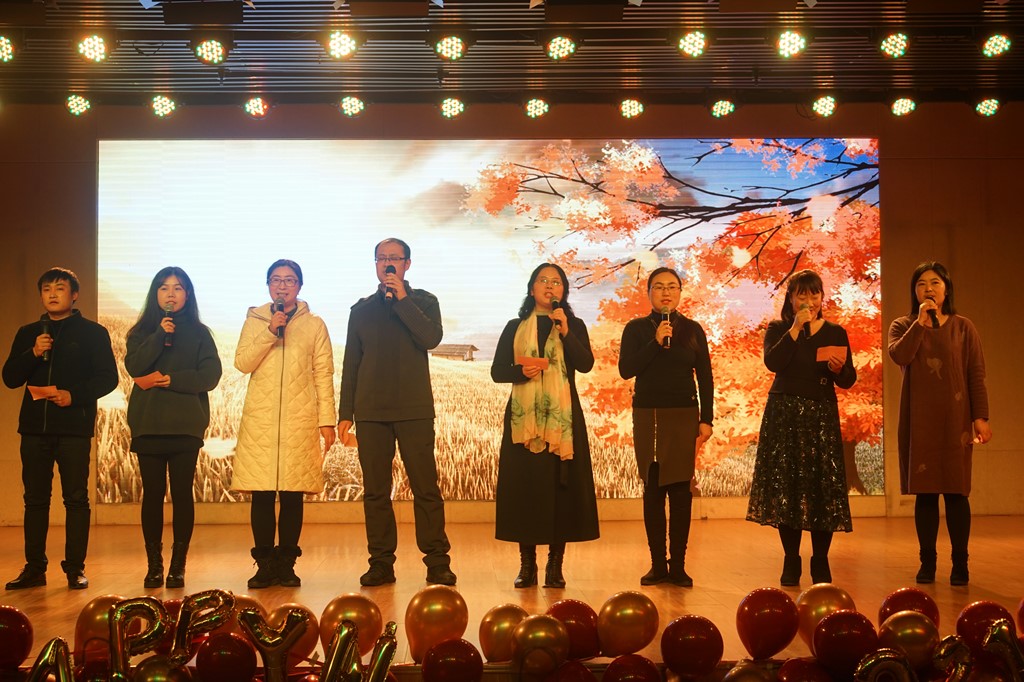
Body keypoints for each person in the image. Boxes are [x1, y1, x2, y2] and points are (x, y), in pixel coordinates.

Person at [338, 238, 455, 587]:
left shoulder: (424, 302)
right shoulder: (361, 311)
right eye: (382, 258)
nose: (387, 264)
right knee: (376, 491)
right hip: (371, 412)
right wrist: (346, 412)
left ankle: (437, 562)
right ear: (375, 264)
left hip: (414, 410)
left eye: (394, 258)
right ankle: (380, 563)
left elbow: (430, 338)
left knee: (425, 488)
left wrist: (403, 299)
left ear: (407, 264)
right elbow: (351, 363)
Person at [2, 267, 118, 590]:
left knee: (76, 499)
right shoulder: (29, 333)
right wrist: (34, 352)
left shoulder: (93, 333)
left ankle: (75, 569)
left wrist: (73, 395)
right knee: (35, 500)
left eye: (60, 288)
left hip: (73, 429)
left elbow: (108, 378)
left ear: (74, 294)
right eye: (47, 289)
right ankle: (34, 569)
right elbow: (10, 377)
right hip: (34, 429)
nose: (53, 294)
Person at [491, 262, 599, 589]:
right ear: (531, 289)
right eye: (543, 280)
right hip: (524, 422)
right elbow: (497, 371)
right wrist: (519, 372)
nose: (549, 286)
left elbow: (585, 364)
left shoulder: (572, 324)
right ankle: (527, 565)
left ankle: (555, 564)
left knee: (559, 489)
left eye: (556, 282)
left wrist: (565, 332)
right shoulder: (514, 327)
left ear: (563, 291)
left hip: (562, 421)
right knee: (526, 490)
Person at [746, 269, 856, 586]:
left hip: (821, 413)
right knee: (788, 487)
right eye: (802, 294)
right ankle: (791, 559)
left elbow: (849, 379)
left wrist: (839, 370)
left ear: (822, 297)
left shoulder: (836, 332)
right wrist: (796, 328)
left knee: (822, 487)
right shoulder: (779, 328)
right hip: (785, 413)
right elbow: (773, 362)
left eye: (814, 294)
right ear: (791, 299)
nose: (809, 300)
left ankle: (820, 560)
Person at [230, 259, 336, 589]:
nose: (282, 286)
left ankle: (287, 564)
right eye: (276, 280)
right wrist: (268, 332)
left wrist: (327, 420)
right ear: (268, 286)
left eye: (289, 280)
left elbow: (323, 373)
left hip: (299, 420)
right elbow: (242, 363)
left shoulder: (314, 325)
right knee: (261, 494)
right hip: (261, 421)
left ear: (299, 286)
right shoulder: (256, 321)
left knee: (292, 494)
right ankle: (264, 565)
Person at [888, 261, 991, 586]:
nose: (928, 288)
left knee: (957, 493)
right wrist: (920, 324)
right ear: (914, 292)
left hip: (956, 420)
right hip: (919, 419)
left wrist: (980, 417)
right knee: (926, 494)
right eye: (921, 284)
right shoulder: (903, 325)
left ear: (947, 289)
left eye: (934, 282)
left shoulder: (964, 327)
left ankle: (960, 563)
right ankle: (927, 562)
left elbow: (976, 373)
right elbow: (900, 356)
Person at [124, 267, 222, 589]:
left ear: (187, 294)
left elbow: (210, 376)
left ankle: (178, 565)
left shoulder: (200, 333)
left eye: (177, 288)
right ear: (155, 294)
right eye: (164, 288)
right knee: (152, 495)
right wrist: (158, 335)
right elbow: (135, 367)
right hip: (149, 424)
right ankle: (154, 565)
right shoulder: (142, 332)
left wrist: (172, 380)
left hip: (185, 425)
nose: (170, 294)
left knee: (181, 494)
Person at [618, 268, 713, 587]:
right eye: (658, 287)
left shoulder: (692, 330)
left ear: (680, 293)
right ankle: (658, 564)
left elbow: (705, 376)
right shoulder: (636, 329)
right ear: (649, 294)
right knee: (654, 488)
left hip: (684, 414)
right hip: (649, 415)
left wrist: (707, 419)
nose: (666, 292)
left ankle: (679, 566)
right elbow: (626, 369)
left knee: (681, 490)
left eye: (672, 286)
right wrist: (656, 342)